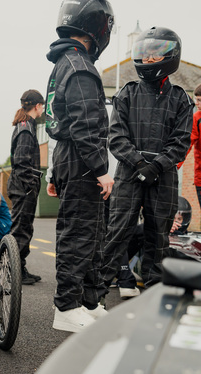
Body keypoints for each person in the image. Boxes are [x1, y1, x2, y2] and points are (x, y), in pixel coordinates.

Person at [98, 27, 193, 304]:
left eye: (156, 54)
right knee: (118, 233)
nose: (149, 59)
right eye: (146, 54)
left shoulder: (181, 99)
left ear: (170, 56)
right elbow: (115, 137)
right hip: (129, 173)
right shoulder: (127, 94)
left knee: (158, 237)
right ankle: (94, 298)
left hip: (162, 177)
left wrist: (156, 166)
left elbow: (181, 141)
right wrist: (139, 163)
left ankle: (153, 300)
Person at [45, 0, 115, 332]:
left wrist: (53, 171)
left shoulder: (63, 63)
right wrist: (102, 170)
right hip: (82, 159)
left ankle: (89, 301)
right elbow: (86, 124)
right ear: (99, 26)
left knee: (92, 232)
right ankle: (67, 307)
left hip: (68, 158)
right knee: (80, 233)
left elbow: (58, 120)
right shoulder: (80, 65)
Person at [8, 89, 45, 284]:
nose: (43, 109)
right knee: (21, 229)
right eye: (42, 106)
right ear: (37, 106)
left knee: (23, 228)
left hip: (22, 187)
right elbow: (22, 163)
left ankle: (18, 268)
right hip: (23, 188)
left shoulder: (25, 126)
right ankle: (15, 271)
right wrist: (31, 186)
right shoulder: (26, 128)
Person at [178, 84, 201, 208]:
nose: (196, 103)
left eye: (199, 100)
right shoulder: (196, 118)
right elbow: (186, 144)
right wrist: (175, 166)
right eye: (195, 99)